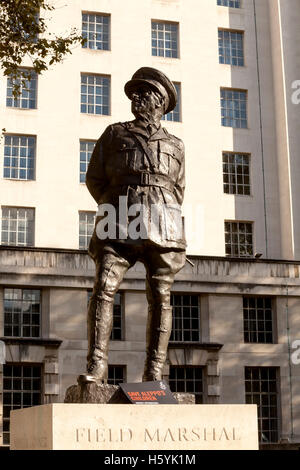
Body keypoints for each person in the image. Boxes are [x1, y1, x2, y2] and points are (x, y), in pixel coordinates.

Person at [81, 67, 186, 383]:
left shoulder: (177, 145)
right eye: (133, 93)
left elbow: (178, 189)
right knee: (104, 287)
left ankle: (154, 373)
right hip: (118, 221)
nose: (135, 97)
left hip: (164, 225)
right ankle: (96, 365)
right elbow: (95, 179)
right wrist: (118, 203)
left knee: (161, 296)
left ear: (159, 100)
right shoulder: (115, 134)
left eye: (143, 92)